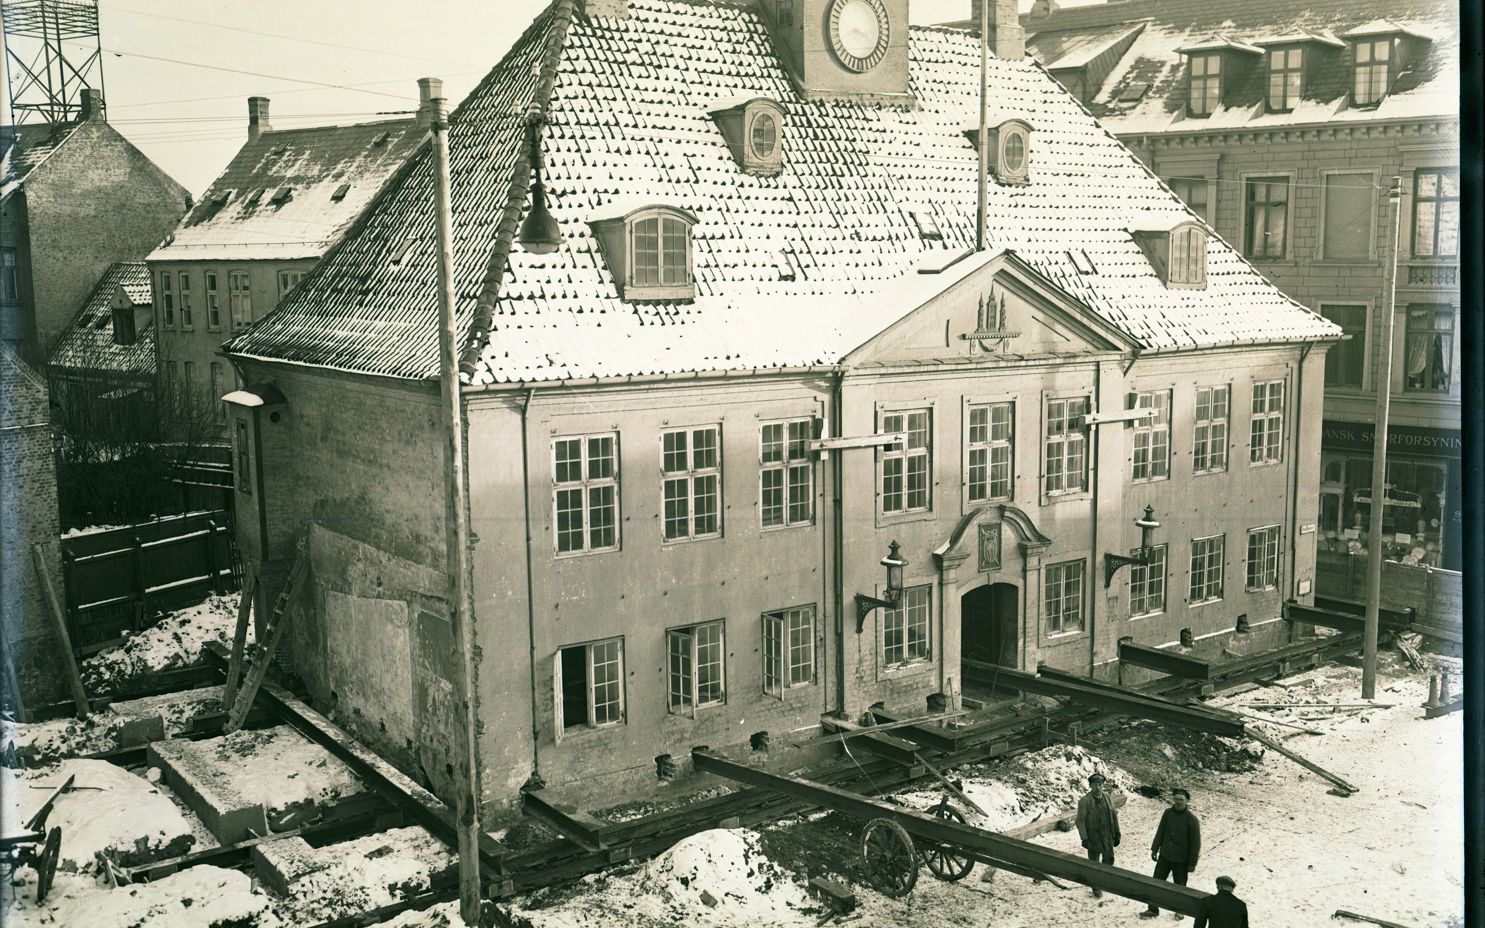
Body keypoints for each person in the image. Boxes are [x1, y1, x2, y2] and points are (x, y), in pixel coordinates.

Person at [1140, 788, 1201, 918]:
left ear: (1187, 801)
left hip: (1181, 860)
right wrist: (1155, 848)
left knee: (1180, 887)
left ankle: (1180, 910)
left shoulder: (1192, 820)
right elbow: (1160, 831)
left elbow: (1196, 845)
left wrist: (1192, 863)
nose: (1178, 802)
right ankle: (1153, 909)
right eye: (1176, 799)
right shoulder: (1167, 813)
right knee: (1156, 883)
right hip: (1165, 856)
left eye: (1181, 800)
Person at [1075, 772, 1120, 898]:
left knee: (1109, 859)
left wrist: (1117, 832)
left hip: (1107, 835)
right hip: (1093, 837)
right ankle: (1096, 887)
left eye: (1100, 784)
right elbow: (1080, 821)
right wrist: (1084, 838)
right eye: (1095, 785)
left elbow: (1114, 814)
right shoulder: (1085, 801)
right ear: (1090, 785)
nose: (1098, 787)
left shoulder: (1107, 797)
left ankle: (1104, 881)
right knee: (1094, 863)